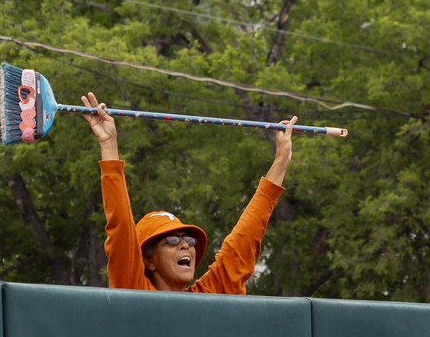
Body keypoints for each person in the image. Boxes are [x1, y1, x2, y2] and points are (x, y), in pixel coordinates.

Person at [81, 91, 295, 293]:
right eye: (171, 241)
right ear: (148, 261)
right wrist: (109, 145)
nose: (185, 245)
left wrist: (280, 162)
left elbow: (243, 242)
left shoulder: (209, 294)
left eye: (189, 241)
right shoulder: (133, 288)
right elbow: (120, 226)